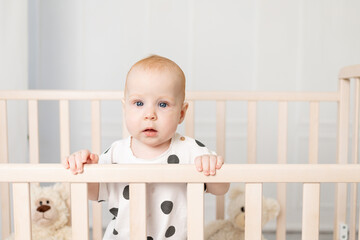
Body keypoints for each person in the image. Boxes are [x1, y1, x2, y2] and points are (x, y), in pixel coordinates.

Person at [63, 55, 230, 239]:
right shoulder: (117, 153)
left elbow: (221, 188)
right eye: (139, 103)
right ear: (125, 108)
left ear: (181, 113)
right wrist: (84, 169)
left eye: (163, 104)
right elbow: (94, 192)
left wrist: (211, 167)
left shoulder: (192, 151)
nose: (150, 114)